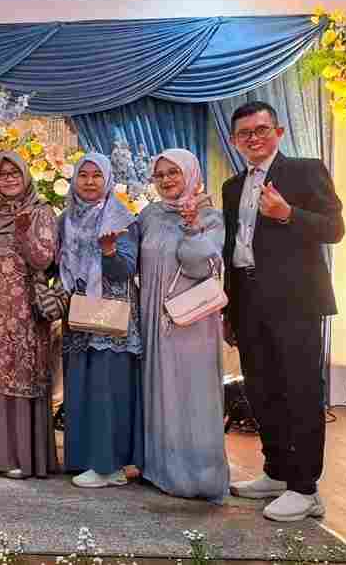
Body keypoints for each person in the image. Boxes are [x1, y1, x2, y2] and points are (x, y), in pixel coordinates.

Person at [223, 101, 344, 521]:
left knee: (301, 391)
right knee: (261, 390)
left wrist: (288, 213)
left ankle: (305, 488)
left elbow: (335, 229)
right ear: (235, 141)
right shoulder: (232, 187)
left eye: (261, 129)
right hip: (247, 299)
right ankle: (276, 472)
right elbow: (233, 249)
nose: (253, 138)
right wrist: (230, 309)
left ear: (278, 131)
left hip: (296, 302)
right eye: (245, 133)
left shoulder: (305, 171)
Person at [138, 148, 229, 502]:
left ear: (190, 173)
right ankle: (160, 470)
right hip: (154, 319)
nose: (166, 180)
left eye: (173, 172)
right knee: (160, 392)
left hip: (193, 323)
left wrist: (192, 227)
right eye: (160, 174)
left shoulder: (210, 216)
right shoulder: (149, 215)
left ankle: (199, 477)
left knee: (192, 395)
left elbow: (200, 266)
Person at [0, 151, 59, 480]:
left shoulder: (41, 211)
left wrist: (24, 233)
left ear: (25, 175)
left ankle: (22, 457)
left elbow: (43, 260)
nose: (9, 179)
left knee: (21, 375)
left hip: (24, 312)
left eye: (14, 173)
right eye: (2, 174)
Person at [59, 152, 143, 489]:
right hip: (78, 313)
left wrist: (109, 252)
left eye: (96, 175)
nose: (90, 181)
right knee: (81, 386)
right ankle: (84, 459)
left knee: (108, 388)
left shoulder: (122, 217)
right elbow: (54, 263)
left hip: (111, 316)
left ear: (107, 179)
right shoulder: (65, 218)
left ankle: (109, 466)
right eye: (84, 175)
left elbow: (128, 268)